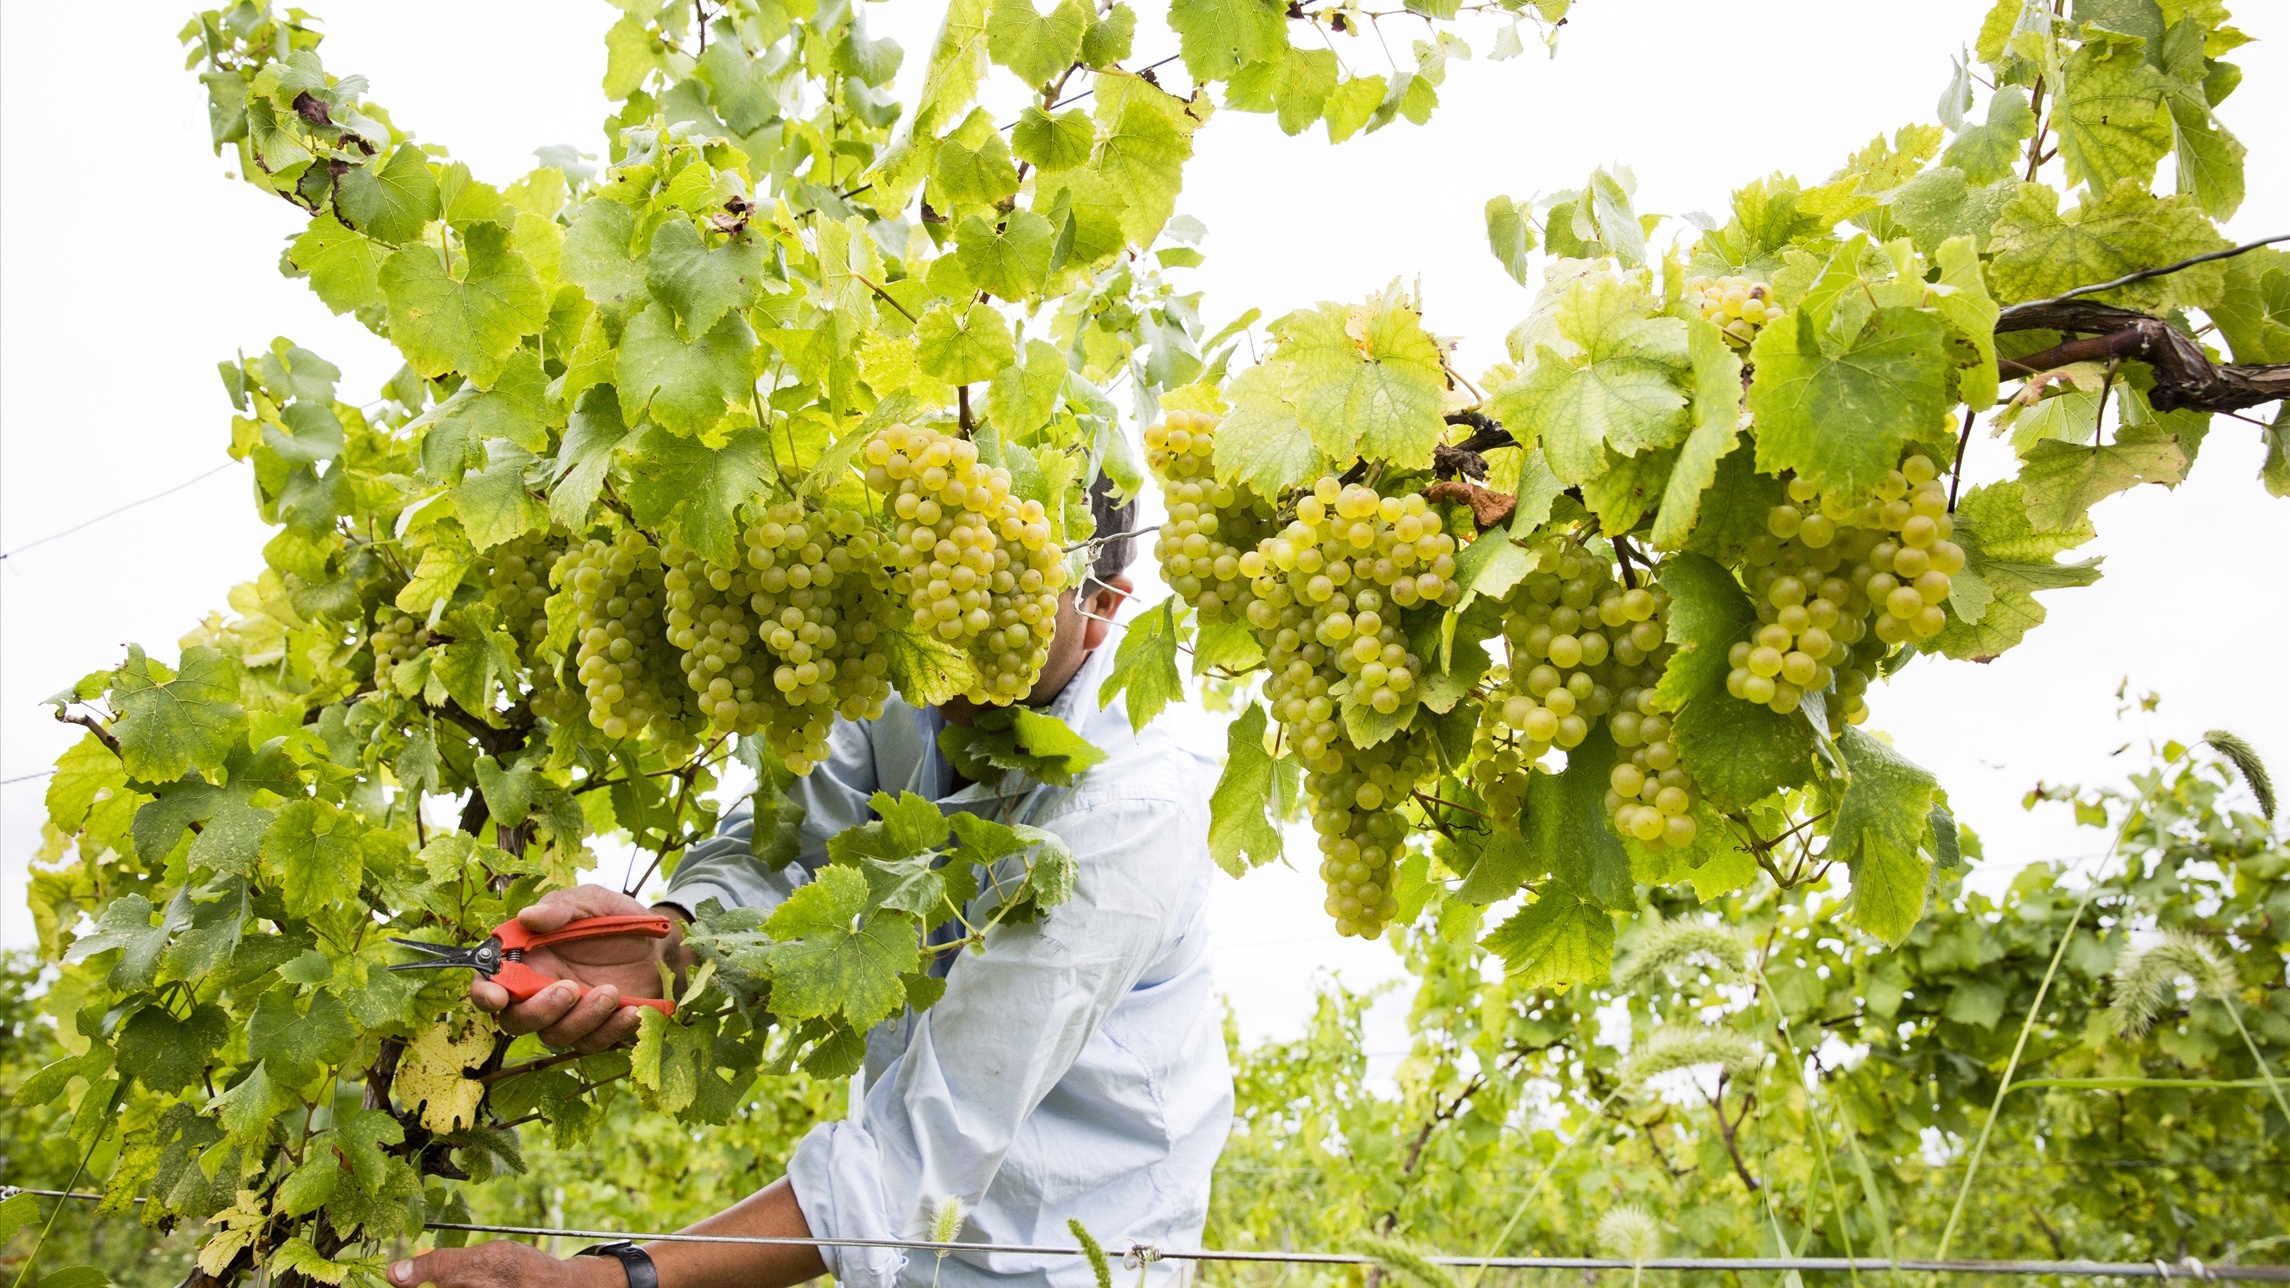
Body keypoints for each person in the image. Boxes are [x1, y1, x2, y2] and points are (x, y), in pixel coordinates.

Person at [388, 478, 1233, 1288]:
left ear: (1102, 606)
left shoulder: (1133, 804)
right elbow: (780, 852)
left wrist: (616, 1279)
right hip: (889, 1253)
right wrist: (671, 939)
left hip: (1067, 1260)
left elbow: (921, 1147)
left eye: (1004, 611)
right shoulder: (911, 648)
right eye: (934, 588)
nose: (950, 636)